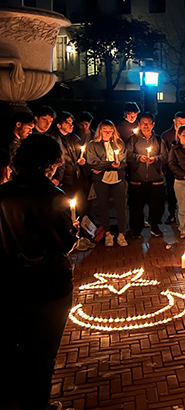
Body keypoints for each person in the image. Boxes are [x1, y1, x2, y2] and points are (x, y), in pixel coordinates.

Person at [0, 134, 77, 410]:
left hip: (9, 283)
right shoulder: (51, 196)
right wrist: (75, 231)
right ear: (51, 162)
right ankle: (37, 404)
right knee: (42, 352)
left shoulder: (3, 194)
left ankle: (13, 399)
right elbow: (63, 243)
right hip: (47, 285)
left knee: (14, 346)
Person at [125, 112, 167, 239]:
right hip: (137, 178)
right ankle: (136, 229)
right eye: (143, 123)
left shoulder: (159, 140)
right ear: (139, 124)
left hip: (155, 179)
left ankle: (155, 226)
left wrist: (154, 159)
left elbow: (165, 156)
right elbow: (127, 155)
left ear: (153, 125)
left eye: (149, 123)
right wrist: (139, 157)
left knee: (156, 205)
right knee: (136, 206)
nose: (146, 126)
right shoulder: (133, 139)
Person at [86, 120, 128, 247]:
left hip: (118, 179)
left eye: (110, 130)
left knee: (121, 207)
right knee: (103, 206)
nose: (108, 133)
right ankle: (108, 234)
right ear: (100, 131)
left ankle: (121, 234)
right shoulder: (93, 145)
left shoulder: (119, 143)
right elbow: (93, 162)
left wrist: (104, 166)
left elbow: (123, 162)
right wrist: (110, 165)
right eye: (105, 130)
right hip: (101, 180)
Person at [161, 111, 185, 225]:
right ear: (174, 121)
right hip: (171, 169)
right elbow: (164, 152)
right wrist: (165, 168)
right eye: (179, 122)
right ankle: (172, 214)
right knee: (172, 192)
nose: (182, 124)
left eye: (184, 122)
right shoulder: (167, 135)